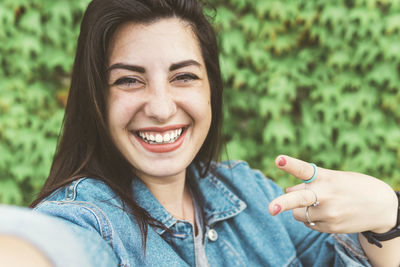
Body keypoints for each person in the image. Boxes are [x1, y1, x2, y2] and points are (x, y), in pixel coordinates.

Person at [0, 0, 399, 266]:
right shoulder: (88, 220)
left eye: (184, 76)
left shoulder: (251, 194)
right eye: (128, 81)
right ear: (96, 99)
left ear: (211, 88)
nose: (159, 107)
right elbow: (53, 246)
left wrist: (386, 215)